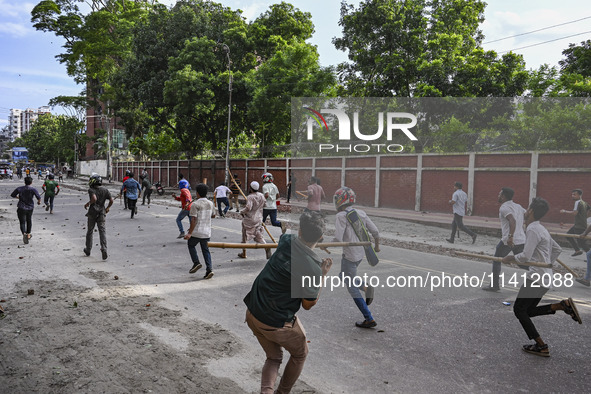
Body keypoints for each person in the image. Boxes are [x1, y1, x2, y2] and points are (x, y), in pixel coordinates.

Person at [244, 211, 333, 394]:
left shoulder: (286, 241)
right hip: (274, 323)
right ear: (321, 237)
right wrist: (322, 275)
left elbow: (293, 240)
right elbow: (308, 304)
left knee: (274, 357)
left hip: (253, 312)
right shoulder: (313, 269)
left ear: (299, 232)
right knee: (300, 354)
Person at [502, 197, 582, 357]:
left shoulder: (532, 229)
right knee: (528, 311)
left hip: (536, 278)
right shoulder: (541, 228)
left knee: (519, 310)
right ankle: (561, 306)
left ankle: (541, 345)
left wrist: (512, 258)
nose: (526, 210)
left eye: (528, 208)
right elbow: (557, 249)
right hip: (544, 278)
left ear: (531, 211)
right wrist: (546, 264)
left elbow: (525, 256)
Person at [333, 186, 381, 328]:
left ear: (341, 200)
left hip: (349, 256)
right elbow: (375, 231)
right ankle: (366, 287)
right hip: (360, 254)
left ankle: (369, 318)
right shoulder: (361, 213)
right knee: (343, 276)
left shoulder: (341, 216)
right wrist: (377, 246)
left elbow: (337, 238)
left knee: (351, 287)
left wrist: (325, 245)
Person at [483, 187, 527, 292]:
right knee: (521, 263)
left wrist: (510, 237)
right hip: (521, 239)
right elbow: (527, 216)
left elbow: (512, 221)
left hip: (508, 240)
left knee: (496, 260)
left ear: (503, 196)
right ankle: (541, 274)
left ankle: (494, 285)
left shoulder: (504, 208)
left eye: (499, 194)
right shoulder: (518, 206)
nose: (498, 196)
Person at [184, 183, 215, 279]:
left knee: (191, 244)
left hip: (197, 231)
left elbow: (193, 220)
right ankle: (209, 269)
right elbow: (213, 215)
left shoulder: (195, 204)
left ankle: (196, 262)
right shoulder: (211, 203)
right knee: (206, 251)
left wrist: (189, 233)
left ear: (197, 193)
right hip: (206, 232)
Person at [84, 174, 113, 260]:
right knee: (102, 231)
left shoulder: (91, 190)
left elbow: (94, 198)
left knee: (90, 231)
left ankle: (88, 249)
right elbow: (111, 200)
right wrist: (107, 208)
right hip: (102, 213)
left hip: (92, 213)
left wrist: (88, 203)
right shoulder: (105, 190)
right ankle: (104, 248)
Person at [238, 181, 270, 259]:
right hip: (259, 219)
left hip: (250, 219)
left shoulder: (250, 197)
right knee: (258, 235)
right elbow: (265, 204)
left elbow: (248, 207)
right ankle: (266, 246)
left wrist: (242, 212)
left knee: (245, 235)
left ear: (251, 188)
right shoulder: (261, 195)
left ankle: (244, 253)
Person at [10, 176, 41, 244]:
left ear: (24, 182)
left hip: (21, 207)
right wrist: (39, 202)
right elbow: (38, 197)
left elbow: (12, 195)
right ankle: (28, 234)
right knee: (29, 220)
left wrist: (18, 197)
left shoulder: (19, 188)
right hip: (30, 207)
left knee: (22, 222)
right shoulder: (33, 189)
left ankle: (24, 234)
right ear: (31, 182)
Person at [560, 189, 589, 256]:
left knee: (582, 243)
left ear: (580, 195)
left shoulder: (578, 202)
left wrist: (564, 211)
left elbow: (574, 213)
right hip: (579, 225)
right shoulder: (584, 203)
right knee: (568, 235)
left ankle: (589, 255)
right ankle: (577, 250)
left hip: (579, 226)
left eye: (574, 195)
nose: (572, 196)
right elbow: (589, 210)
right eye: (572, 194)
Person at [172, 174, 192, 238]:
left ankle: (182, 232)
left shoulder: (183, 190)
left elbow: (187, 197)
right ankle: (192, 232)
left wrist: (187, 203)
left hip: (186, 208)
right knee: (191, 221)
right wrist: (175, 197)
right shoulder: (187, 190)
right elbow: (181, 199)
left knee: (178, 220)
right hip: (190, 208)